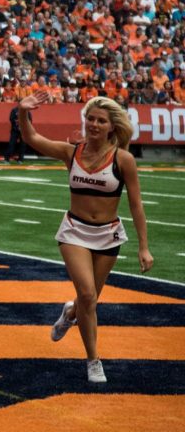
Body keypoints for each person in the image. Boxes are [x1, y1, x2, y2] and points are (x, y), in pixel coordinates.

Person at [18, 92, 153, 383]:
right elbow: (33, 139)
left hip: (108, 236)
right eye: (90, 118)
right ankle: (94, 361)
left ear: (111, 127)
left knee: (86, 302)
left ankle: (69, 313)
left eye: (100, 120)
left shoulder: (124, 159)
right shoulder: (72, 152)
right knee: (88, 295)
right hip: (74, 232)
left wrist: (144, 247)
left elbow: (136, 205)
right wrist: (22, 111)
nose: (93, 124)